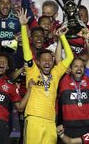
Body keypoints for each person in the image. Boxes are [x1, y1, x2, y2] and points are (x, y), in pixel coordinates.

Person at [18, 8, 74, 144]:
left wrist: (62, 37)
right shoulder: (32, 71)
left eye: (50, 59)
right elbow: (26, 51)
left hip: (50, 121)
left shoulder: (55, 72)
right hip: (33, 119)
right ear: (38, 61)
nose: (47, 62)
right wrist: (24, 27)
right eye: (44, 60)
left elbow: (70, 57)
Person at [58, 58, 89, 137]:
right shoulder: (65, 80)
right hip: (70, 127)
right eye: (76, 66)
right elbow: (58, 62)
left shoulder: (87, 80)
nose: (79, 69)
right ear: (70, 69)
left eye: (81, 66)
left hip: (87, 126)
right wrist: (60, 44)